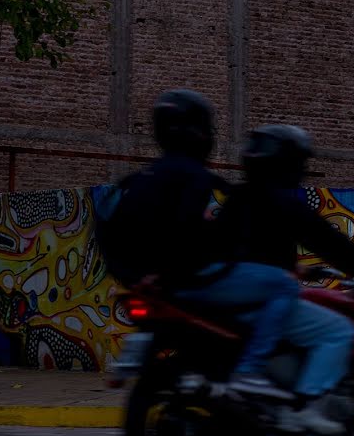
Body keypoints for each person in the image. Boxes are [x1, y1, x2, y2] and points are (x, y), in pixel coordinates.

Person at [97, 90, 299, 396]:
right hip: (186, 276)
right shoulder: (197, 178)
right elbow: (187, 231)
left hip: (138, 278)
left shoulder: (137, 179)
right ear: (197, 132)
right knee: (283, 284)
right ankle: (251, 370)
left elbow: (105, 228)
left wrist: (134, 274)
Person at [216, 124, 354, 435]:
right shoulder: (281, 201)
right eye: (298, 163)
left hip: (235, 295)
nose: (302, 170)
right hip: (257, 298)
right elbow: (332, 245)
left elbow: (254, 250)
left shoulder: (241, 199)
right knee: (338, 330)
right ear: (285, 164)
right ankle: (306, 406)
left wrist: (302, 270)